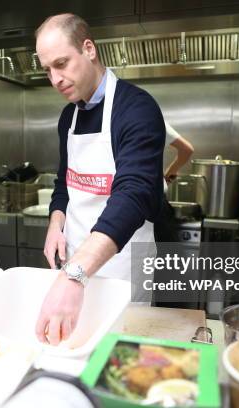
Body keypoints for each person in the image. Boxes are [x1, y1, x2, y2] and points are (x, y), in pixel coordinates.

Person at [35, 13, 165, 345]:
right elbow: (65, 182)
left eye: (62, 63)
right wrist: (56, 223)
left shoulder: (136, 109)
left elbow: (134, 194)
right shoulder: (69, 116)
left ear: (89, 49)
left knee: (121, 351)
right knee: (76, 344)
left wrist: (75, 275)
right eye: (48, 69)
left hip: (122, 261)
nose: (55, 78)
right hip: (78, 260)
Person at [154, 120, 194, 243]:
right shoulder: (151, 116)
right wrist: (169, 174)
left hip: (126, 203)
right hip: (156, 202)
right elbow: (186, 149)